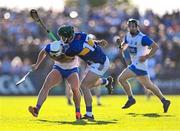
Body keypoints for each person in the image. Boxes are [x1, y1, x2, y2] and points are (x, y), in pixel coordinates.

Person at [57, 25, 113, 120]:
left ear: (68, 36)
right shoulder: (81, 35)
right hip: (94, 62)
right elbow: (90, 42)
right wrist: (98, 42)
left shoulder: (74, 47)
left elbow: (65, 58)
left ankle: (89, 114)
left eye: (62, 36)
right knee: (88, 85)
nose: (61, 39)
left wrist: (58, 53)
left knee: (84, 86)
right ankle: (106, 82)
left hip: (99, 63)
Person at [117, 19, 171, 113]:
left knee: (121, 79)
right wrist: (121, 47)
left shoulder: (142, 37)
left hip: (139, 65)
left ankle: (131, 99)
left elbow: (155, 47)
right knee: (149, 86)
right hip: (138, 65)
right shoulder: (128, 35)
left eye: (134, 26)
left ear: (137, 27)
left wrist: (146, 56)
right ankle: (164, 101)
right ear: (128, 27)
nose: (132, 28)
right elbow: (124, 45)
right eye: (130, 26)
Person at [28, 41, 82, 119]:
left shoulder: (71, 48)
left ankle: (78, 112)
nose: (54, 56)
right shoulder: (50, 47)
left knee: (75, 89)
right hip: (58, 68)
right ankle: (37, 109)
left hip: (72, 69)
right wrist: (37, 64)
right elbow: (43, 52)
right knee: (46, 86)